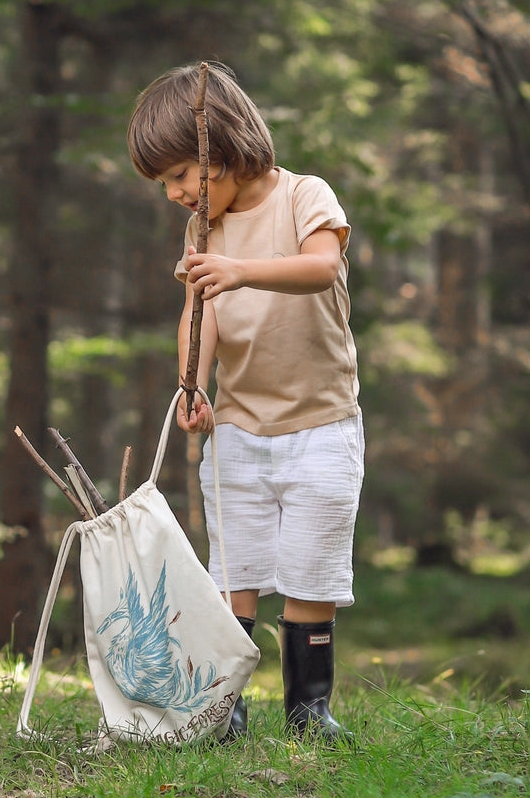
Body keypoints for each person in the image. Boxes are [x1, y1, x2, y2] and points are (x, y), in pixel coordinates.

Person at [127, 62, 362, 742]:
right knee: (235, 564)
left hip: (321, 421)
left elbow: (323, 268)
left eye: (178, 175)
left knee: (312, 564)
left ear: (221, 151)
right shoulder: (204, 229)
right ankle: (225, 701)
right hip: (240, 426)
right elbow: (202, 319)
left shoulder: (302, 197)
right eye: (164, 183)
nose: (173, 193)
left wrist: (240, 269)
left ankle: (308, 708)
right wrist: (192, 384)